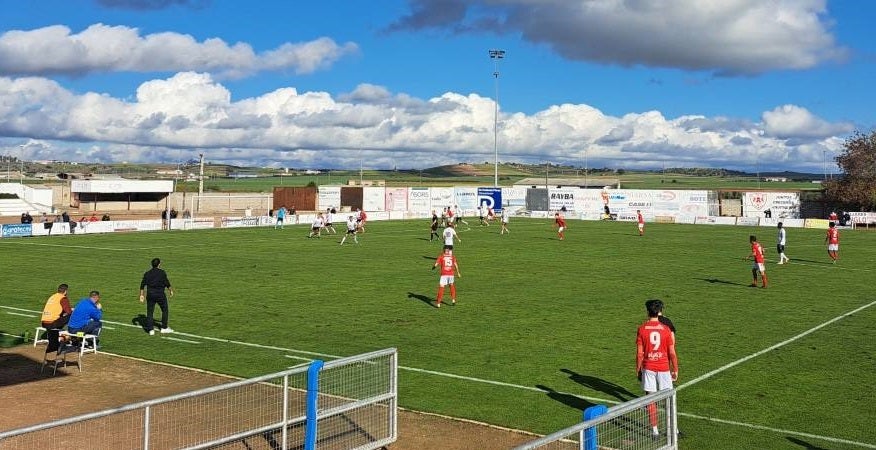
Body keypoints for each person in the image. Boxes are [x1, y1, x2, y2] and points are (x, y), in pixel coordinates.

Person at [636, 299, 679, 440]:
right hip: (664, 368)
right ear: (660, 311)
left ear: (648, 311)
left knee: (651, 399)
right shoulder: (666, 329)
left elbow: (639, 353)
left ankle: (655, 431)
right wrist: (676, 369)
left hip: (648, 368)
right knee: (668, 399)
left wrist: (638, 369)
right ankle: (673, 429)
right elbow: (672, 352)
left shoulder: (642, 329)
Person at [139, 257, 175, 335]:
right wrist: (170, 290)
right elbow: (166, 282)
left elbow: (142, 285)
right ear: (159, 264)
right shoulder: (162, 273)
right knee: (165, 310)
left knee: (150, 312)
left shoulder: (147, 273)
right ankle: (164, 328)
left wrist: (141, 295)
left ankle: (151, 330)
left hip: (150, 295)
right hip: (160, 295)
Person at [41, 283, 73, 353]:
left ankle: (55, 343)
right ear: (65, 291)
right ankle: (74, 334)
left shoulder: (53, 296)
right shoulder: (63, 298)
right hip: (52, 323)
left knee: (61, 318)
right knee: (72, 316)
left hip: (44, 322)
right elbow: (69, 312)